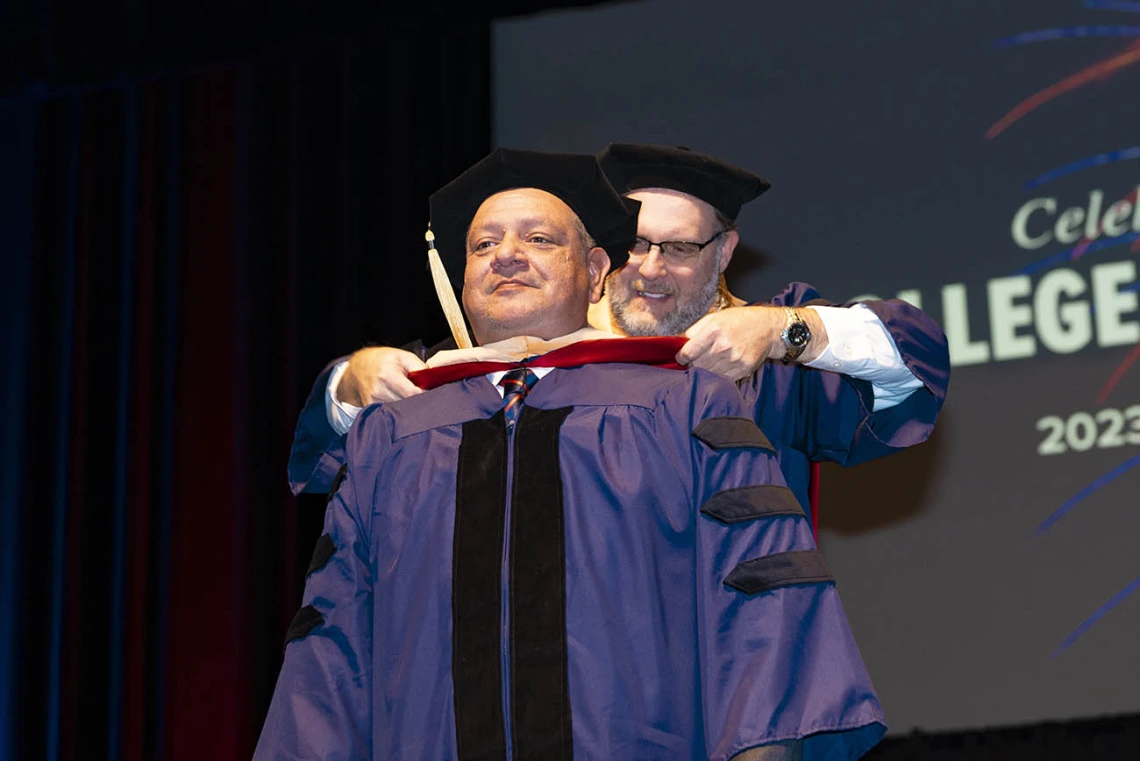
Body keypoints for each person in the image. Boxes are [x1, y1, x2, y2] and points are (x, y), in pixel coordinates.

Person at [255, 148, 885, 760]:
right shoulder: (394, 433)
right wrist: (351, 374)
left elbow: (764, 605)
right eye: (482, 244)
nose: (506, 255)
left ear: (595, 272)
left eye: (539, 239)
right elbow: (331, 647)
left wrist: (784, 329)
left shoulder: (691, 403)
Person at [288, 144, 950, 524]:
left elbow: (912, 358)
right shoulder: (525, 360)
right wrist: (353, 378)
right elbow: (332, 439)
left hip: (728, 672)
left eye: (681, 248)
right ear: (599, 254)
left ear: (724, 254)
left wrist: (788, 329)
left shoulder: (764, 367)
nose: (652, 269)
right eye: (633, 245)